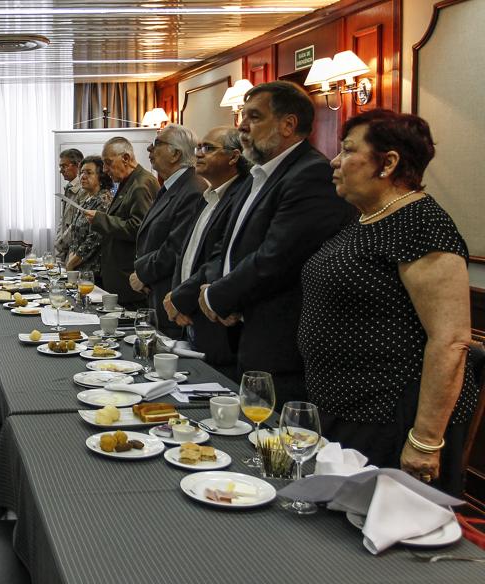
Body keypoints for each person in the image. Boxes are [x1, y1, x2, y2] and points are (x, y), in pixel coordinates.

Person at [298, 109, 478, 495]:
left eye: (348, 150)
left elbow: (450, 340)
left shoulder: (421, 224)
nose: (335, 160)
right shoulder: (368, 218)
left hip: (389, 417)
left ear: (388, 162)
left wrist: (426, 439)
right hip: (346, 407)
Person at [166, 81, 354, 406]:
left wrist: (216, 297)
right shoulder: (256, 177)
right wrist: (213, 295)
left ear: (288, 124)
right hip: (241, 332)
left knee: (271, 444)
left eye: (254, 116)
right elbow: (225, 250)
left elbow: (275, 258)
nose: (242, 126)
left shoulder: (310, 174)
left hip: (281, 344)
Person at [163, 127, 251, 375]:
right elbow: (186, 253)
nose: (198, 154)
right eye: (198, 148)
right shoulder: (208, 195)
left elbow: (218, 260)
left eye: (208, 148)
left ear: (234, 157)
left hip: (216, 321)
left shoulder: (239, 198)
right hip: (189, 316)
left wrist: (180, 299)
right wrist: (176, 296)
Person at [130, 124, 206, 336]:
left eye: (157, 144)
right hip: (156, 294)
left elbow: (176, 248)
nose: (149, 150)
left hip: (173, 300)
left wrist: (143, 273)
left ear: (175, 154)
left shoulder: (193, 190)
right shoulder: (171, 187)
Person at [85, 137, 158, 308]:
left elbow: (139, 229)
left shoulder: (141, 184)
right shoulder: (129, 182)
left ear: (125, 158)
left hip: (130, 280)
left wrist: (100, 219)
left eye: (108, 163)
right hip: (121, 278)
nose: (105, 169)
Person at [64, 155, 113, 277]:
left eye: (89, 173)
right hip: (80, 269)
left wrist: (71, 263)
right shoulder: (88, 199)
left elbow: (94, 239)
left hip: (94, 273)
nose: (83, 176)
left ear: (101, 177)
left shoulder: (103, 200)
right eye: (81, 172)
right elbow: (76, 234)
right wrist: (71, 258)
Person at [54, 148, 85, 262]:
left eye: (64, 166)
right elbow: (63, 220)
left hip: (75, 252)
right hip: (66, 250)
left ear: (77, 165)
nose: (61, 170)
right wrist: (58, 242)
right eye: (60, 166)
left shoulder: (83, 189)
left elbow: (78, 223)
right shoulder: (69, 187)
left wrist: (60, 244)